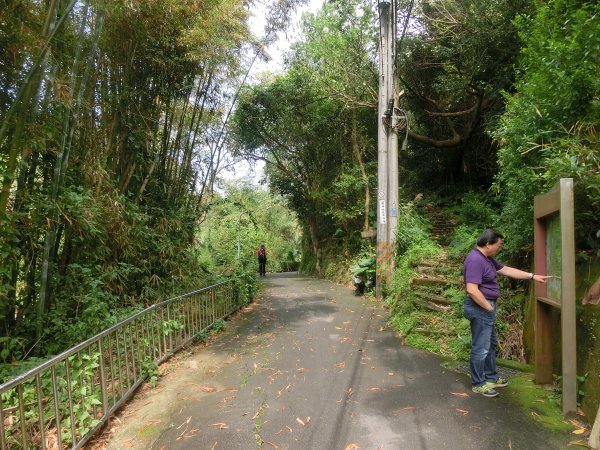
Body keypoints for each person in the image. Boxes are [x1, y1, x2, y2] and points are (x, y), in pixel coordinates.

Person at [463, 229, 550, 397]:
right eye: (499, 244)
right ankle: (478, 383)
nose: (500, 248)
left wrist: (532, 276)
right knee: (480, 347)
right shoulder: (475, 259)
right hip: (480, 307)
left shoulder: (486, 258)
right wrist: (488, 307)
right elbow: (472, 290)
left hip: (485, 307)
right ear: (488, 244)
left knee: (491, 344)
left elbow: (507, 270)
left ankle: (490, 377)